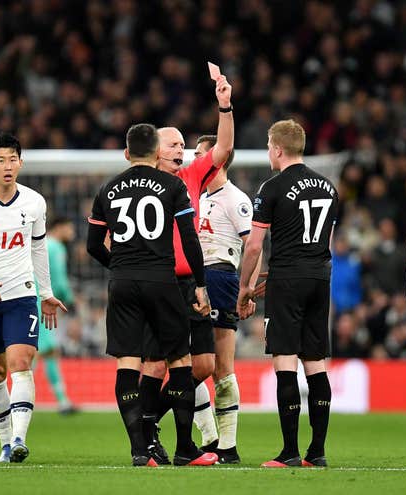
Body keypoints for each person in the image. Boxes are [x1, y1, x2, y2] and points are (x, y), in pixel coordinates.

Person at [86, 123, 217, 467]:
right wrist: (201, 284)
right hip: (162, 281)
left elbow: (91, 245)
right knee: (180, 364)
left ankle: (139, 451)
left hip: (123, 283)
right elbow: (189, 239)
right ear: (157, 152)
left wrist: (118, 265)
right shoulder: (173, 185)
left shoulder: (108, 189)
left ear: (126, 153)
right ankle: (186, 447)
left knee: (129, 364)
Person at [140, 72, 234, 463]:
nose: (181, 150)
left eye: (183, 144)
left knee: (203, 365)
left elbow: (224, 147)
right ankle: (155, 438)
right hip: (157, 282)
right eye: (173, 145)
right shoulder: (140, 184)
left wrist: (224, 104)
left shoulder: (193, 175)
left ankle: (148, 423)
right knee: (159, 363)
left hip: (193, 282)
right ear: (155, 151)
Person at [237, 119, 339, 468]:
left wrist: (245, 287)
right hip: (320, 277)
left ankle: (290, 452)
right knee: (315, 362)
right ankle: (318, 452)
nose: (268, 152)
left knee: (284, 362)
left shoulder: (272, 187)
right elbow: (327, 240)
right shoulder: (328, 186)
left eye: (269, 147)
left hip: (288, 279)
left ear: (277, 149)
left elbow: (253, 246)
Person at [0, 133, 67, 464]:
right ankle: (5, 444)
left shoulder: (34, 202)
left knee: (20, 364)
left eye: (13, 159)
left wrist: (47, 292)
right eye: (1, 160)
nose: (8, 166)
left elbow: (38, 248)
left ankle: (20, 439)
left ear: (21, 163)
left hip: (22, 294)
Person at [195, 135, 258, 463]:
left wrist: (245, 289)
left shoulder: (236, 199)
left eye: (199, 154)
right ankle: (209, 437)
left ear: (216, 160)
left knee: (221, 367)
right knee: (189, 364)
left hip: (220, 278)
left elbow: (254, 244)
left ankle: (228, 446)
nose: (195, 159)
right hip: (193, 281)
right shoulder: (197, 196)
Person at [35, 216, 78, 414]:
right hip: (42, 302)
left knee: (45, 350)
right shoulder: (56, 247)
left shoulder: (41, 243)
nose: (72, 231)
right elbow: (59, 281)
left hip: (30, 298)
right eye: (70, 227)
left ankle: (62, 400)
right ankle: (18, 401)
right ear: (59, 226)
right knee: (40, 351)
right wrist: (70, 300)